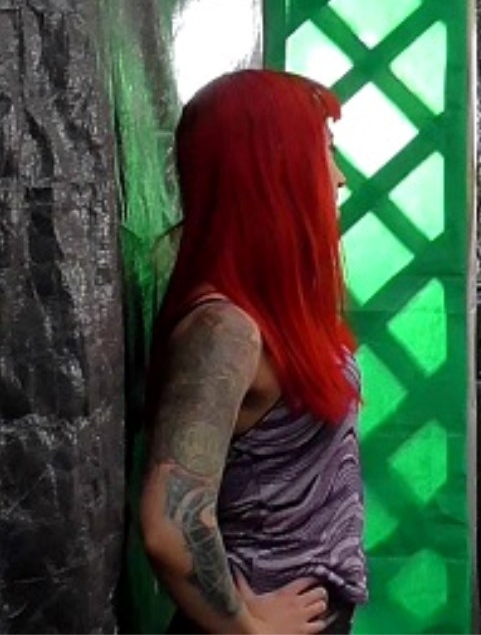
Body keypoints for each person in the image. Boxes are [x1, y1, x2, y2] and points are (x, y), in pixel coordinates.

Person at [140, 69, 367, 635]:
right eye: (325, 151)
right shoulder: (224, 329)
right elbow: (169, 527)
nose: (340, 178)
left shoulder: (267, 314)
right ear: (272, 170)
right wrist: (251, 628)